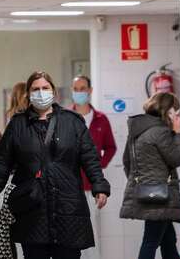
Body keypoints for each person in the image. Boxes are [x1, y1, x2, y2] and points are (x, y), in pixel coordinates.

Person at [0, 71, 110, 259]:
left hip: (68, 207)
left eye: (45, 88)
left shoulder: (72, 121)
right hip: (33, 209)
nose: (41, 92)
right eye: (35, 89)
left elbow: (90, 157)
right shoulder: (18, 124)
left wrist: (99, 186)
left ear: (54, 92)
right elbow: (2, 164)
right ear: (29, 94)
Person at [121, 92, 180, 259]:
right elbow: (177, 158)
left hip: (149, 193)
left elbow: (127, 161)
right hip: (161, 196)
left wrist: (141, 182)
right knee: (150, 241)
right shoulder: (160, 132)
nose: (176, 117)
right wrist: (178, 134)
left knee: (168, 242)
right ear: (167, 112)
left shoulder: (138, 130)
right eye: (174, 112)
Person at [69, 75, 116, 259]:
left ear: (90, 91)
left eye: (82, 88)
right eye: (76, 89)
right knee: (70, 233)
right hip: (70, 186)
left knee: (92, 233)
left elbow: (111, 147)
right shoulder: (66, 117)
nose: (79, 92)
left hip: (91, 187)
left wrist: (98, 166)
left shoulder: (101, 119)